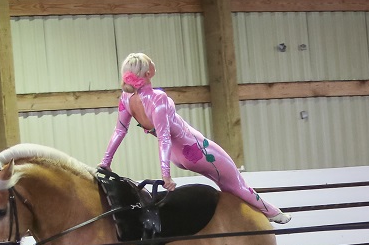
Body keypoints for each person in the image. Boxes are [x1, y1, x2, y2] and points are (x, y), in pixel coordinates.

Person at [99, 53, 291, 224]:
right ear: (148, 73)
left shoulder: (126, 98)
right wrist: (165, 176)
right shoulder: (158, 98)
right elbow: (164, 137)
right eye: (151, 63)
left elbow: (120, 131)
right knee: (236, 184)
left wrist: (105, 162)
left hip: (178, 156)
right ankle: (274, 213)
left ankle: (246, 218)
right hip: (197, 149)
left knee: (226, 186)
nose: (153, 63)